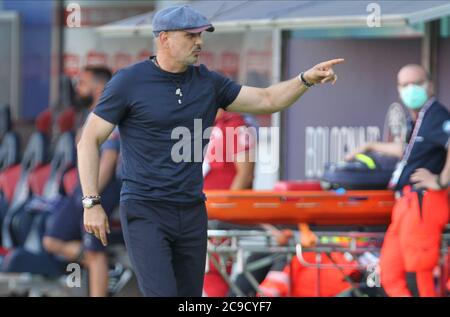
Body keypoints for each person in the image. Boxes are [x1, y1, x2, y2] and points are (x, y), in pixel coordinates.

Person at [77, 5, 343, 297]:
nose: (199, 42)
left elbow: (268, 99)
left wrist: (305, 79)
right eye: (190, 36)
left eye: (201, 35)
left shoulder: (209, 83)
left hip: (192, 210)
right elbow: (89, 139)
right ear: (163, 38)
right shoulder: (129, 81)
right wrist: (92, 202)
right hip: (146, 209)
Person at [348, 64, 450, 296]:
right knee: (390, 274)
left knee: (421, 274)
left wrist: (441, 180)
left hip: (423, 202)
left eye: (417, 83)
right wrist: (371, 145)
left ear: (430, 85)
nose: (411, 89)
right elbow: (407, 150)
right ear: (398, 89)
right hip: (405, 205)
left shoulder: (435, 113)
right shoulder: (418, 118)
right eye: (405, 85)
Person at [43, 66, 121, 297]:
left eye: (82, 83)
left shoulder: (109, 115)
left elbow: (108, 159)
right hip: (83, 192)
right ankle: (107, 267)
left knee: (95, 251)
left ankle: (101, 268)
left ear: (98, 87)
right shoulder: (90, 114)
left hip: (101, 191)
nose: (78, 89)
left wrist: (92, 198)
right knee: (51, 239)